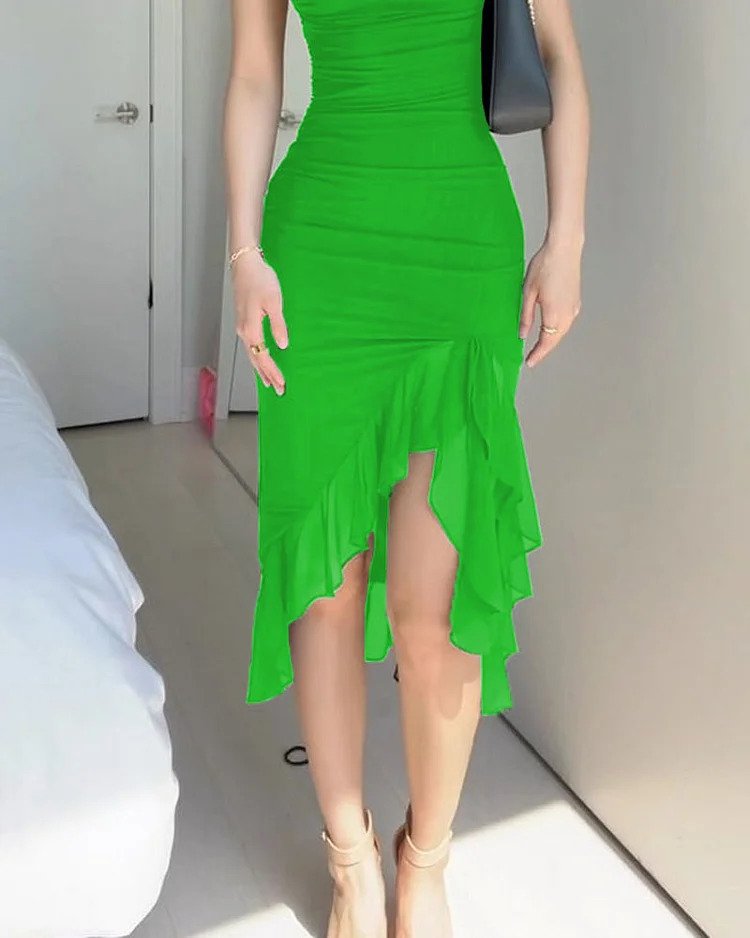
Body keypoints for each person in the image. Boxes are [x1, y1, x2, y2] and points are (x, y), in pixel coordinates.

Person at [223, 0, 589, 934]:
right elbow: (257, 74)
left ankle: (425, 859)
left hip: (460, 258)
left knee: (434, 615)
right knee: (327, 588)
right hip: (321, 258)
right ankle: (350, 862)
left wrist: (568, 240)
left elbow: (557, 53)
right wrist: (245, 252)